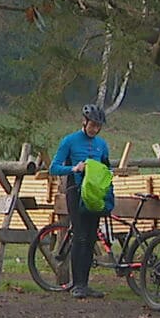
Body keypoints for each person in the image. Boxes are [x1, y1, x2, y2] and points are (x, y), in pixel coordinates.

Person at [49, 104, 111, 299]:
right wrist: (74, 169)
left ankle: (85, 283)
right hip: (75, 192)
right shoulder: (70, 141)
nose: (95, 129)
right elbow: (54, 168)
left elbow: (107, 168)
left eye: (98, 126)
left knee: (91, 237)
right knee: (80, 236)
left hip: (94, 195)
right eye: (92, 125)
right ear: (84, 122)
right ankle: (77, 284)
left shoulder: (102, 145)